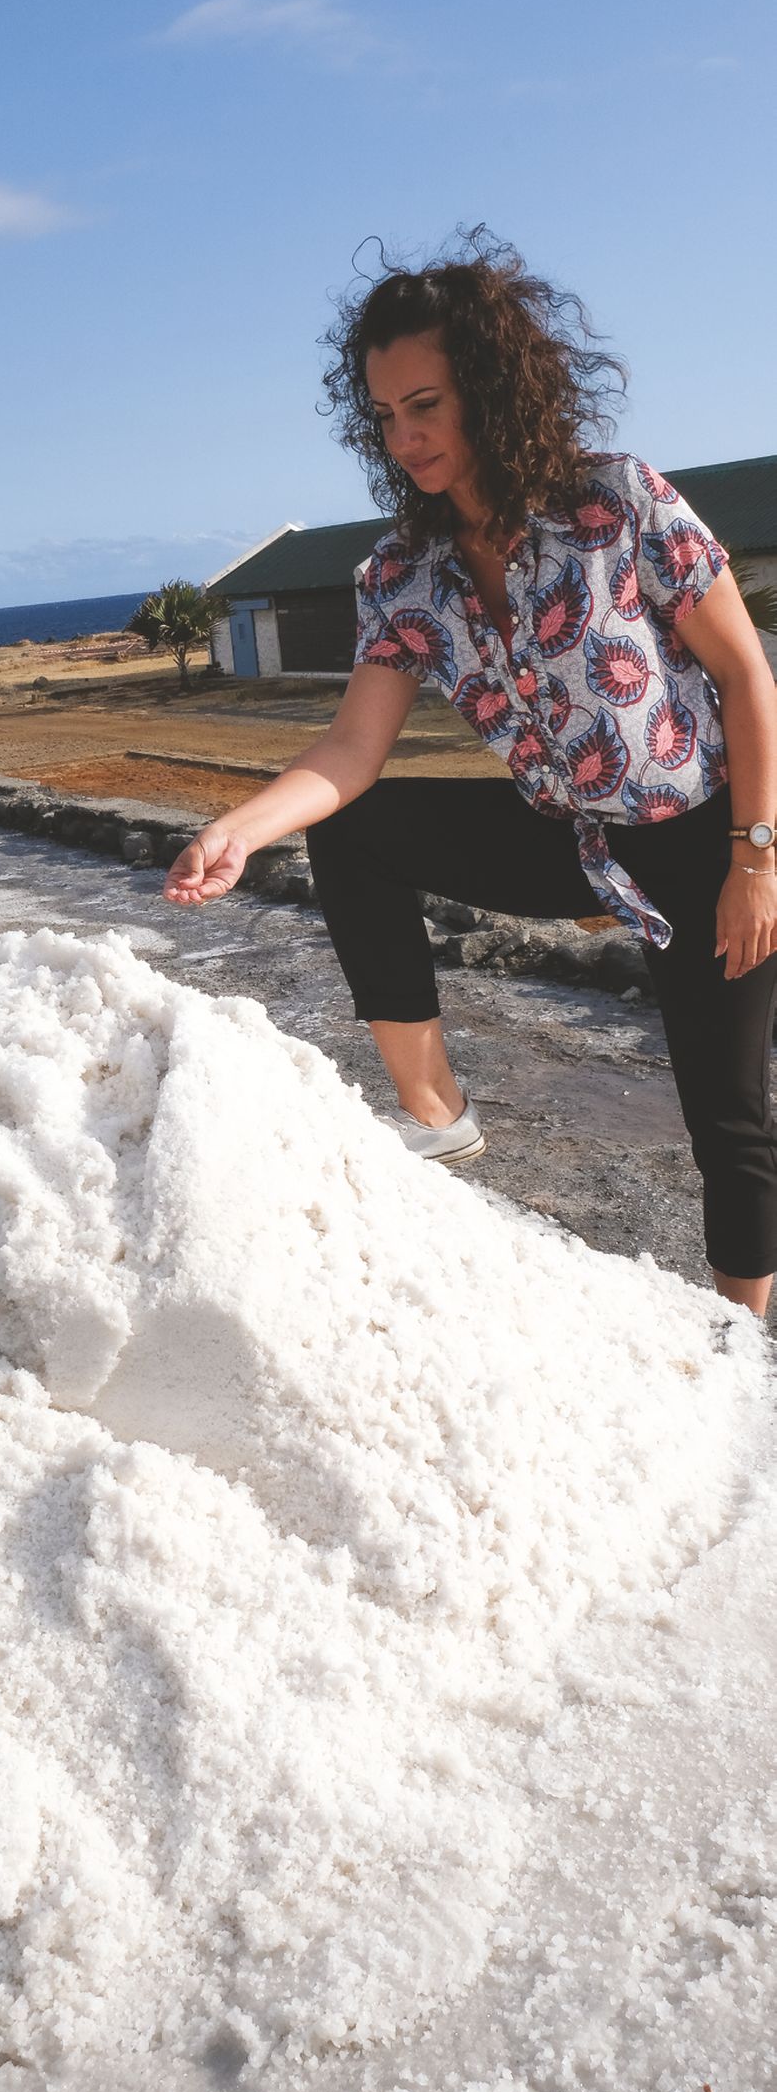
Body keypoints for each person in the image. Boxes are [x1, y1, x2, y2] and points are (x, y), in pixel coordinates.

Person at [163, 232, 777, 1319]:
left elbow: (746, 675)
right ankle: (434, 1109)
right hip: (575, 834)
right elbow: (352, 751)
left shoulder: (618, 502)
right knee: (356, 832)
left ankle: (744, 1353)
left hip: (712, 832)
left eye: (428, 404)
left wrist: (756, 857)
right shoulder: (402, 574)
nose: (405, 437)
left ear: (493, 386)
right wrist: (243, 827)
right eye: (387, 415)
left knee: (727, 1119)